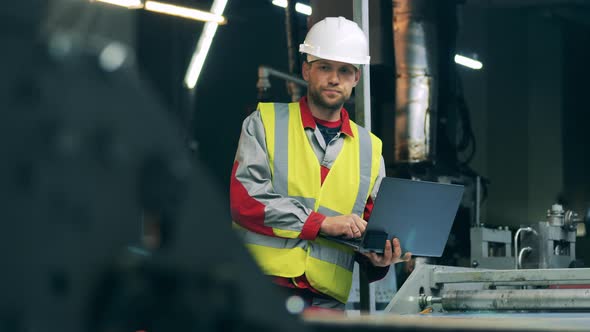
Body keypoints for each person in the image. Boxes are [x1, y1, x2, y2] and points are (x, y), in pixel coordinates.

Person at [230, 16, 411, 311]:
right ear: (306, 70)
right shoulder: (264, 122)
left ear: (356, 78)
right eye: (324, 66)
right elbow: (245, 201)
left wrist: (380, 260)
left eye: (345, 70)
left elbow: (369, 228)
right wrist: (323, 223)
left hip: (326, 303)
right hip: (260, 289)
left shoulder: (370, 149)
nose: (334, 78)